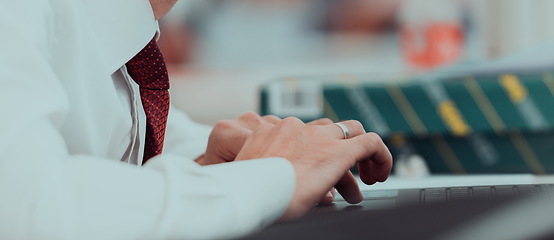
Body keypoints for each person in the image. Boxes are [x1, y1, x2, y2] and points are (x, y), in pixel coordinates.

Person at [0, 0, 392, 239]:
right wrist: (266, 176)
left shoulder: (116, 28)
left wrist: (271, 156)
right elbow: (28, 208)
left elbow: (117, 139)